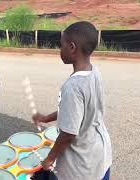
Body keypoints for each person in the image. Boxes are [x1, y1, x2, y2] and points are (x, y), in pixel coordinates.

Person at [33, 21, 112, 180]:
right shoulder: (94, 72)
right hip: (100, 155)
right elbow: (78, 112)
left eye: (61, 45)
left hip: (81, 167)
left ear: (72, 47)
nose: (59, 49)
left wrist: (49, 159)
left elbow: (69, 133)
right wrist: (46, 118)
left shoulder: (73, 87)